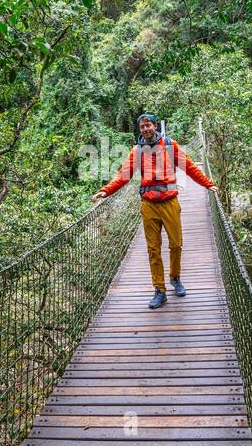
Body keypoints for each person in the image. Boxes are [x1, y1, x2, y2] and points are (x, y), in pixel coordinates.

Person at [92, 113, 217, 308]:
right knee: (153, 249)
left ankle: (175, 278)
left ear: (155, 126)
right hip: (149, 205)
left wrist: (208, 184)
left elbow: (190, 167)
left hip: (170, 202)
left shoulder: (170, 145)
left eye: (148, 125)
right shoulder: (137, 151)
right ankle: (159, 290)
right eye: (142, 127)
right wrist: (105, 191)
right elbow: (123, 176)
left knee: (176, 244)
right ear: (139, 129)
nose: (146, 129)